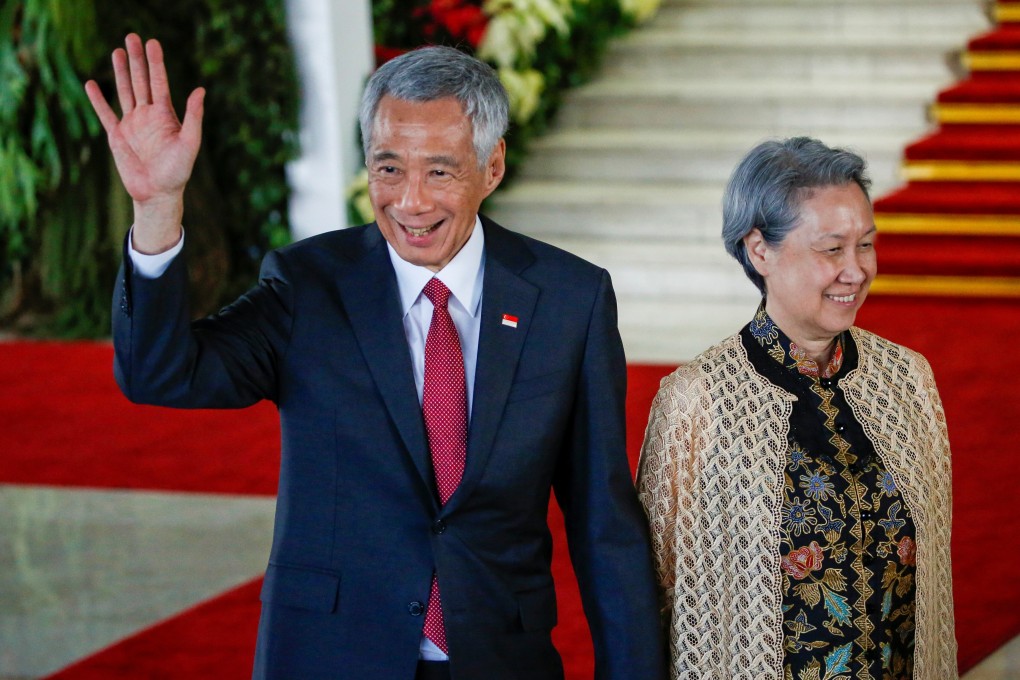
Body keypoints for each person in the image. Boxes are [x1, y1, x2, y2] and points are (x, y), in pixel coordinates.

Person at [85, 35, 666, 680]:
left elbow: (602, 522)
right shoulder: (307, 286)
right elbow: (161, 373)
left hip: (499, 660)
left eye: (439, 171)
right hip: (332, 656)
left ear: (492, 166)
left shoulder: (569, 299)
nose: (410, 201)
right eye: (389, 169)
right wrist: (157, 208)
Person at [636, 137, 957, 679]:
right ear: (760, 250)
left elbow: (933, 575)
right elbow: (654, 592)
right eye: (832, 250)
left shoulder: (908, 380)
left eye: (866, 245)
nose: (856, 271)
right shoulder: (697, 400)